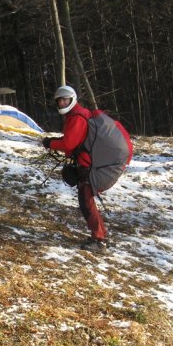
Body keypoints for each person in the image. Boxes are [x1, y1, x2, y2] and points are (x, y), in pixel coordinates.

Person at [42, 85, 108, 253]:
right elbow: (72, 139)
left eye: (65, 100)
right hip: (86, 163)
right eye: (59, 101)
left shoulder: (78, 117)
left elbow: (69, 144)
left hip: (87, 165)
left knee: (86, 203)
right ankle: (100, 236)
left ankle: (99, 241)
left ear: (72, 99)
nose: (62, 103)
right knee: (87, 202)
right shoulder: (76, 115)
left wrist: (51, 144)